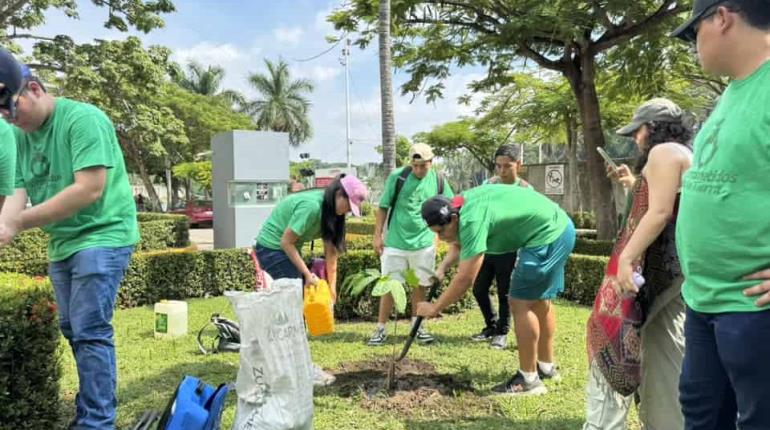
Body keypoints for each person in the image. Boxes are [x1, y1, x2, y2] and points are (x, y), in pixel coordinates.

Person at [0, 49, 139, 429]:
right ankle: (92, 403)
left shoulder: (83, 120)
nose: (8, 118)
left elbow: (88, 190)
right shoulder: (18, 135)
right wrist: (5, 222)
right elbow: (16, 188)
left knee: (90, 329)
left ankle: (97, 421)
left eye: (10, 108)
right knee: (73, 330)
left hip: (103, 234)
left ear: (32, 88)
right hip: (63, 242)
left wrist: (18, 223)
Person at [670, 1, 770, 429]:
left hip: (753, 308)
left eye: (694, 33)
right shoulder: (733, 92)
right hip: (704, 301)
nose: (695, 47)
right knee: (702, 413)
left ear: (722, 17)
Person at [583, 98, 693, 430]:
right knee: (662, 355)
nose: (635, 139)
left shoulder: (664, 153)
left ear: (654, 129)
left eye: (638, 131)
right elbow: (667, 202)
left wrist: (627, 259)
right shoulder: (683, 154)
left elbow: (659, 213)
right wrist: (633, 183)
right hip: (675, 276)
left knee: (619, 352)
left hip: (655, 276)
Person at [416, 185, 576, 395]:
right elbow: (458, 242)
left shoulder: (472, 221)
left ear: (453, 219)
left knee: (520, 302)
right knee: (539, 300)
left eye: (440, 231)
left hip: (547, 236)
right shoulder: (460, 206)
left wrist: (434, 307)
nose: (440, 237)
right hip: (560, 227)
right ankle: (546, 367)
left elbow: (465, 279)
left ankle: (529, 380)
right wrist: (443, 267)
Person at [254, 173, 368, 385]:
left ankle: (289, 363)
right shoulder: (312, 207)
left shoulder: (332, 213)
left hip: (285, 250)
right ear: (337, 194)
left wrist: (332, 290)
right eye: (348, 205)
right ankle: (301, 368)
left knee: (291, 309)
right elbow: (286, 242)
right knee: (294, 309)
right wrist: (307, 275)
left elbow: (331, 253)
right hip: (271, 249)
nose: (347, 212)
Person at [367, 143, 454, 346]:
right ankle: (381, 328)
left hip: (424, 244)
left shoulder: (439, 180)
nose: (418, 170)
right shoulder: (398, 177)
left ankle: (417, 327)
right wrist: (377, 236)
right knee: (388, 285)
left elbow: (451, 206)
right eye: (415, 166)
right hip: (395, 243)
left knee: (420, 285)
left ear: (431, 163)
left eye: (423, 166)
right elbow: (382, 207)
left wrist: (447, 236)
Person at [466, 144, 531, 349]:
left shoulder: (525, 190)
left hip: (511, 250)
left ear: (518, 165)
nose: (502, 171)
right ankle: (491, 326)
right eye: (499, 166)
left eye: (507, 166)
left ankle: (502, 332)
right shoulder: (490, 184)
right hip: (487, 248)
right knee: (478, 289)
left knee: (505, 293)